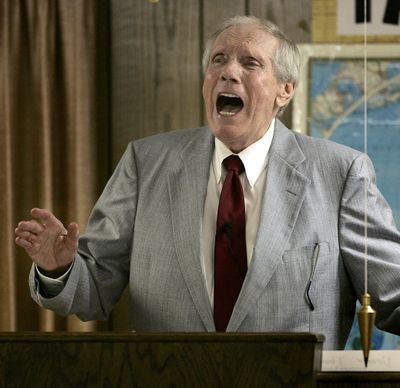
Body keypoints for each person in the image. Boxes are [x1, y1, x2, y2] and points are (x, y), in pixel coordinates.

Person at [15, 16, 400, 349]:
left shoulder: (341, 171)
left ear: (285, 90)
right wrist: (59, 269)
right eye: (219, 60)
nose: (228, 72)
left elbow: (392, 296)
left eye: (250, 63)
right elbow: (94, 291)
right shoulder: (145, 163)